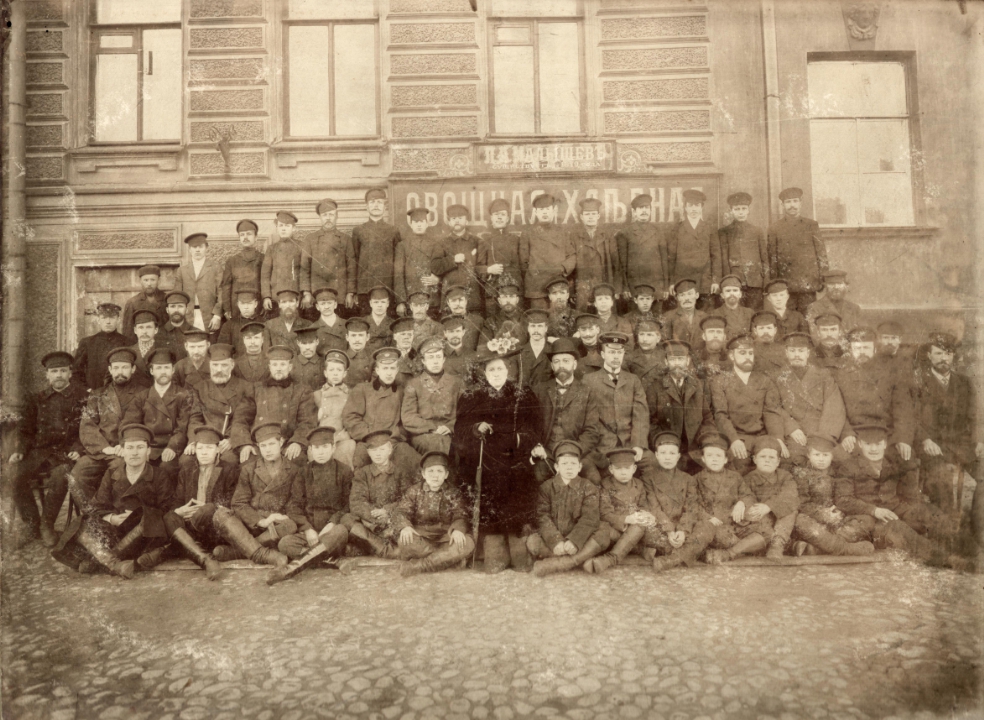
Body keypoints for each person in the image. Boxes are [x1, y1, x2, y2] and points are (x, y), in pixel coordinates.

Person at [833, 424, 969, 571]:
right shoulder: (848, 467)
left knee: (927, 512)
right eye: (868, 444)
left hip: (894, 509)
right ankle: (946, 560)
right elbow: (843, 500)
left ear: (885, 444)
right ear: (860, 444)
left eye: (878, 444)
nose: (873, 449)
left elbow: (906, 494)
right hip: (869, 520)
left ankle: (968, 550)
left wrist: (916, 509)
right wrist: (874, 510)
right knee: (897, 528)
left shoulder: (893, 464)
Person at [456, 349, 542, 573]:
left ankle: (517, 541)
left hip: (517, 455)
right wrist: (476, 427)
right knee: (489, 485)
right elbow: (461, 429)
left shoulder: (523, 394)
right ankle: (494, 542)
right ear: (485, 373)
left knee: (519, 481)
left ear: (508, 370)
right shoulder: (472, 396)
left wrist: (517, 439)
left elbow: (535, 428)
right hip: (486, 457)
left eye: (500, 368)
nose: (496, 373)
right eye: (491, 369)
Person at [56, 424, 172, 579]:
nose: (135, 453)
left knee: (150, 518)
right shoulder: (112, 474)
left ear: (148, 451)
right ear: (122, 451)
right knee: (81, 522)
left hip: (143, 536)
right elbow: (97, 506)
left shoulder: (159, 475)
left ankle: (101, 560)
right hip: (116, 531)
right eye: (130, 448)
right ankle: (116, 565)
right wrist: (112, 518)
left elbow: (167, 509)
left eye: (140, 447)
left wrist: (139, 515)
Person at [10, 351, 87, 547]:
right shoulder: (37, 399)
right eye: (54, 371)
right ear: (47, 375)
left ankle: (47, 525)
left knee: (60, 476)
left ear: (70, 373)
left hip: (66, 454)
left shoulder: (83, 397)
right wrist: (19, 450)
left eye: (62, 371)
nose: (58, 375)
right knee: (14, 474)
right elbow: (25, 430)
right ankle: (31, 523)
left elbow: (88, 428)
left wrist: (78, 448)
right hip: (40, 452)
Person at [268, 426, 354, 585]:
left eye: (325, 447)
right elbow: (294, 506)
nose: (320, 452)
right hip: (311, 530)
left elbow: (348, 505)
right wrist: (307, 529)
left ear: (333, 448)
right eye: (316, 448)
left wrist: (332, 523)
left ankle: (291, 569)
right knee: (285, 543)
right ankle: (333, 560)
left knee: (341, 531)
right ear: (311, 450)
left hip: (332, 530)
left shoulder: (344, 471)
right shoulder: (303, 472)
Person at [210, 423, 299, 567]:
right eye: (263, 446)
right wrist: (260, 521)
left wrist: (276, 517)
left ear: (281, 442)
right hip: (251, 524)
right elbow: (238, 503)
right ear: (258, 447)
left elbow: (295, 503)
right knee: (220, 514)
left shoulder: (294, 470)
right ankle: (261, 553)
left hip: (274, 526)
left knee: (290, 525)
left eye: (272, 444)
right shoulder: (249, 469)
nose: (268, 450)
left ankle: (236, 552)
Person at [914, 331, 982, 516]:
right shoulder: (918, 382)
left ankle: (977, 525)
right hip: (932, 445)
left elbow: (975, 416)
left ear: (953, 356)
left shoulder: (965, 383)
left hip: (961, 444)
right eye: (939, 353)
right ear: (929, 355)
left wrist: (978, 440)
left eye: (948, 353)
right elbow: (911, 417)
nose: (944, 358)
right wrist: (925, 440)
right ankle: (946, 525)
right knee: (940, 480)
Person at [71, 348, 145, 509]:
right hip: (100, 451)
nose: (120, 372)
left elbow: (144, 425)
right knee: (77, 474)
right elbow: (87, 426)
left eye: (125, 367)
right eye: (116, 368)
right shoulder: (97, 395)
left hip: (127, 450)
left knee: (121, 471)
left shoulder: (143, 393)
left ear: (133, 369)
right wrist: (105, 448)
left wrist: (126, 445)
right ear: (110, 370)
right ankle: (95, 515)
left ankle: (121, 515)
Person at [162, 426, 236, 580]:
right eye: (200, 448)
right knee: (170, 516)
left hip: (213, 527)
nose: (203, 452)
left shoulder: (229, 470)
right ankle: (206, 560)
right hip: (190, 525)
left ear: (218, 450)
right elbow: (177, 500)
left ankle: (178, 548)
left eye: (209, 448)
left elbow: (231, 501)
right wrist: (180, 510)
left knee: (207, 509)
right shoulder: (187, 470)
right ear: (195, 449)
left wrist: (208, 508)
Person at [527, 440, 608, 577]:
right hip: (556, 538)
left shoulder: (589, 487)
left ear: (579, 467)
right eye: (564, 464)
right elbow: (542, 517)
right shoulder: (546, 488)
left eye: (573, 464)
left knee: (603, 534)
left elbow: (590, 518)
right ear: (557, 467)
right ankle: (581, 559)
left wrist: (575, 541)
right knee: (532, 542)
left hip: (580, 539)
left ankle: (557, 564)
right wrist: (555, 541)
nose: (569, 468)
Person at [834, 327, 915, 462]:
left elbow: (903, 408)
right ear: (851, 350)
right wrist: (846, 433)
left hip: (886, 433)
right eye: (857, 348)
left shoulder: (891, 373)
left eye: (866, 347)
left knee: (906, 461)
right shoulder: (840, 375)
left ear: (875, 349)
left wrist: (903, 439)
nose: (862, 352)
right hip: (855, 432)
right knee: (846, 462)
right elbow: (837, 409)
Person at [582, 331, 655, 478]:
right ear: (603, 355)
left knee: (652, 462)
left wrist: (638, 444)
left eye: (619, 352)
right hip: (601, 446)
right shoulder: (589, 380)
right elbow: (586, 418)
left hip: (629, 444)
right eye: (611, 352)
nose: (616, 357)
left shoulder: (633, 380)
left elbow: (641, 415)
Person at [708, 334, 785, 473]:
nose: (748, 357)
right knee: (739, 462)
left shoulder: (764, 380)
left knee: (777, 460)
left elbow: (771, 413)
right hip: (737, 436)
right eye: (742, 353)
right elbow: (720, 415)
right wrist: (733, 439)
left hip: (762, 436)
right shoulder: (720, 381)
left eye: (750, 353)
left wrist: (777, 438)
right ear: (732, 356)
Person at [790, 435, 875, 557]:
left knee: (867, 520)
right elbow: (801, 504)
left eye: (825, 455)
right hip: (815, 520)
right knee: (800, 521)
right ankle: (846, 549)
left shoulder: (838, 471)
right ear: (808, 455)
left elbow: (844, 497)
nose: (821, 459)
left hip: (838, 521)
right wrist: (823, 514)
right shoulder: (801, 474)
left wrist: (838, 513)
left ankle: (820, 548)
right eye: (817, 455)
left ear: (832, 456)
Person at [232, 345, 318, 465]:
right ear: (269, 367)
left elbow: (308, 422)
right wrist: (245, 444)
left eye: (282, 364)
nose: (278, 368)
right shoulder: (256, 389)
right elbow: (240, 419)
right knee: (249, 462)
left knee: (296, 461)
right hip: (260, 444)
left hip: (287, 444)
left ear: (290, 367)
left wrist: (297, 442)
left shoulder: (302, 390)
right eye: (275, 364)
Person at [393, 451, 475, 577]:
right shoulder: (414, 491)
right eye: (430, 471)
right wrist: (405, 526)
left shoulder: (454, 492)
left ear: (446, 474)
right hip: (422, 537)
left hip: (446, 537)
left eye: (439, 471)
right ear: (423, 474)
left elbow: (461, 514)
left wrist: (458, 530)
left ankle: (418, 566)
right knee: (405, 542)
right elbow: (401, 511)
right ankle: (449, 562)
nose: (435, 476)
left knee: (468, 544)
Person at [343, 347, 421, 473]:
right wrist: (370, 435)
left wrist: (394, 436)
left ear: (397, 370)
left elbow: (407, 421)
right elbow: (351, 418)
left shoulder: (403, 392)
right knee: (360, 463)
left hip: (393, 442)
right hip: (368, 442)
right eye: (385, 368)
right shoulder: (362, 389)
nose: (389, 373)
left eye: (392, 368)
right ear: (377, 370)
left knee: (414, 462)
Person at [772, 332, 846, 465]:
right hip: (796, 433)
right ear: (786, 353)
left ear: (808, 353)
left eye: (801, 351)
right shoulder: (777, 377)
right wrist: (790, 427)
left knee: (840, 460)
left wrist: (823, 437)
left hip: (821, 432)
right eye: (792, 351)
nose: (796, 355)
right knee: (793, 459)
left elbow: (834, 406)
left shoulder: (824, 375)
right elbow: (773, 406)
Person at [691, 433, 766, 564]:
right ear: (703, 458)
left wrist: (741, 503)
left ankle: (729, 553)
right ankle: (741, 550)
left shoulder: (735, 477)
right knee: (717, 535)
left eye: (718, 455)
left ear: (725, 459)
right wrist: (707, 517)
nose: (714, 459)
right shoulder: (695, 479)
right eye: (710, 455)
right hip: (713, 525)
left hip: (734, 524)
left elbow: (748, 495)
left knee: (764, 531)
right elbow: (691, 504)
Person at [645, 432, 714, 572]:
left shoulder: (688, 479)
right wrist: (670, 531)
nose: (667, 457)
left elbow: (692, 508)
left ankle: (671, 560)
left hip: (683, 528)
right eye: (663, 453)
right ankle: (690, 552)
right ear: (656, 455)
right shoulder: (647, 478)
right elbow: (654, 508)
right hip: (662, 527)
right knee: (644, 531)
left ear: (678, 456)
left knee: (707, 527)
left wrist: (683, 531)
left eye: (672, 453)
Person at [586, 447, 660, 574]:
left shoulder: (639, 484)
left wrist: (645, 515)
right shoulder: (605, 485)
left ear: (634, 469)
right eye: (618, 468)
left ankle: (610, 559)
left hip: (636, 528)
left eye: (627, 468)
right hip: (615, 527)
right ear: (611, 469)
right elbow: (604, 513)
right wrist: (627, 519)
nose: (623, 472)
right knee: (603, 529)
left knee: (639, 526)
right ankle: (638, 549)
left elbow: (643, 506)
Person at [121, 348, 192, 477]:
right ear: (152, 371)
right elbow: (130, 424)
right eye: (158, 368)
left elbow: (182, 428)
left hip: (172, 446)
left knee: (167, 468)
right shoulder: (142, 397)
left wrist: (172, 447)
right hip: (148, 447)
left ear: (173, 370)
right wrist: (141, 449)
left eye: (166, 368)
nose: (163, 372)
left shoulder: (183, 395)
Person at [346, 429, 415, 561]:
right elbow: (356, 502)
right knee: (347, 520)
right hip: (370, 522)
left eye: (382, 449)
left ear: (390, 450)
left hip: (391, 519)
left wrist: (387, 510)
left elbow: (408, 499)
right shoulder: (362, 474)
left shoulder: (401, 472)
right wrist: (376, 518)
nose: (378, 454)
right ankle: (385, 550)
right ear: (368, 452)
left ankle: (372, 546)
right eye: (373, 450)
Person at [646, 340, 713, 469]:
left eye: (681, 359)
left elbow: (707, 417)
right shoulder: (655, 387)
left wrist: (705, 442)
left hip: (695, 447)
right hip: (667, 447)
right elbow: (650, 421)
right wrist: (664, 443)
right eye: (672, 359)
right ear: (666, 362)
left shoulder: (697, 385)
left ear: (687, 361)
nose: (677, 364)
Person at [184, 343, 253, 467]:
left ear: (232, 365)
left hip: (229, 440)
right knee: (186, 461)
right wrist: (194, 441)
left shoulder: (245, 387)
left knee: (228, 461)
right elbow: (195, 418)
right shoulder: (200, 387)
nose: (219, 370)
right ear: (210, 365)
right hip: (204, 439)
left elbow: (243, 419)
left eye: (224, 365)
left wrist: (232, 439)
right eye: (215, 365)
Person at [738, 436, 800, 560]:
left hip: (780, 519)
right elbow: (745, 496)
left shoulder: (785, 476)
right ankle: (788, 546)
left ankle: (777, 545)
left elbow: (790, 494)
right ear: (754, 459)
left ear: (778, 461)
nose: (767, 461)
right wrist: (753, 507)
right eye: (763, 457)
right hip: (760, 521)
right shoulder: (747, 478)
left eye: (772, 458)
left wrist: (768, 506)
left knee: (790, 509)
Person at [767, 187, 828, 313]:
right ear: (782, 205)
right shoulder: (775, 228)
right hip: (785, 284)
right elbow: (772, 257)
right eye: (788, 202)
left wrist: (823, 277)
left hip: (808, 283)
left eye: (795, 201)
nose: (792, 205)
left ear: (800, 203)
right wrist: (774, 281)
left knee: (808, 316)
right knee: (788, 316)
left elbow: (821, 252)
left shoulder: (811, 225)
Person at [401, 338, 463, 456]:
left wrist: (450, 427)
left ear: (444, 359)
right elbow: (408, 417)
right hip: (424, 434)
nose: (435, 361)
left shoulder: (456, 382)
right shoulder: (414, 384)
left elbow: (464, 413)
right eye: (430, 357)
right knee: (437, 443)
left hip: (451, 431)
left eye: (438, 357)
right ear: (423, 360)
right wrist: (433, 427)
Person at [301, 199, 356, 320]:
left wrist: (350, 293)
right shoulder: (310, 239)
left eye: (331, 214)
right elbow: (305, 268)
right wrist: (307, 292)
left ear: (337, 216)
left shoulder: (345, 239)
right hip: (317, 295)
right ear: (320, 217)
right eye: (325, 215)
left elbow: (351, 268)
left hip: (340, 295)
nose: (328, 218)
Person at [519, 194, 576, 310]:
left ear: (553, 210)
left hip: (558, 283)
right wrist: (534, 272)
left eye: (547, 209)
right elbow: (523, 261)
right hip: (537, 287)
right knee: (539, 317)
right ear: (536, 212)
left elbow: (572, 256)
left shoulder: (562, 232)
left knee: (559, 316)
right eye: (541, 210)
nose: (544, 212)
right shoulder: (528, 233)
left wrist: (562, 268)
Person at [666, 189, 720, 309]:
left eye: (697, 205)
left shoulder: (710, 228)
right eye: (690, 205)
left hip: (705, 280)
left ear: (702, 207)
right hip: (683, 280)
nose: (694, 209)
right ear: (685, 207)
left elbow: (716, 256)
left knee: (706, 312)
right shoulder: (677, 229)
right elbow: (671, 258)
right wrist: (672, 282)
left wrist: (715, 280)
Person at [352, 188, 402, 315]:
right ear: (366, 206)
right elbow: (354, 261)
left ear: (385, 207)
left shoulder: (393, 231)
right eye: (372, 202)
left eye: (380, 202)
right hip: (365, 289)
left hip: (387, 288)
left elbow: (398, 262)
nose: (376, 205)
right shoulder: (358, 231)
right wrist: (355, 290)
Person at [616, 194, 669, 308]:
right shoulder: (625, 233)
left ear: (650, 210)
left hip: (656, 285)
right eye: (640, 208)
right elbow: (622, 264)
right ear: (634, 212)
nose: (644, 211)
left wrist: (665, 286)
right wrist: (625, 287)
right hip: (635, 286)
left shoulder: (659, 231)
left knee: (656, 316)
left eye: (647, 208)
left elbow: (664, 261)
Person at [718, 191, 768, 309]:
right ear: (731, 210)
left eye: (744, 208)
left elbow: (764, 257)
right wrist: (728, 281)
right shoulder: (724, 232)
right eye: (737, 209)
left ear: (748, 210)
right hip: (735, 281)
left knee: (755, 312)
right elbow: (724, 259)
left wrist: (766, 281)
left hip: (755, 281)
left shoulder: (757, 231)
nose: (741, 212)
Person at [432, 204, 482, 313]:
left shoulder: (477, 241)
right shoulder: (442, 243)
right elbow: (435, 267)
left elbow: (482, 267)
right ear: (449, 222)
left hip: (472, 295)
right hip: (450, 296)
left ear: (467, 221)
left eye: (460, 218)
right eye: (454, 218)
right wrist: (453, 260)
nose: (457, 221)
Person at [573, 198, 621, 310]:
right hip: (582, 287)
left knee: (604, 313)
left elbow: (617, 264)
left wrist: (617, 288)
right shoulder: (574, 237)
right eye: (587, 214)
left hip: (604, 284)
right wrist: (572, 291)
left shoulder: (608, 236)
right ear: (581, 217)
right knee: (584, 315)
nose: (590, 217)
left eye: (593, 214)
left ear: (598, 215)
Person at [313, 349, 357, 469]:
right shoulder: (317, 395)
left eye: (339, 370)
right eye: (331, 370)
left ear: (345, 373)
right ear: (325, 373)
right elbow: (311, 422)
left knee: (347, 449)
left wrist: (342, 436)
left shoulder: (351, 394)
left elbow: (353, 420)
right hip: (321, 439)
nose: (335, 374)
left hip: (343, 438)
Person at [173, 233, 224, 334]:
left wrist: (217, 315)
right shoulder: (182, 270)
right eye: (194, 247)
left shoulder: (216, 268)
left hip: (210, 317)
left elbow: (222, 292)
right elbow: (177, 297)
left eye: (200, 247)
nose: (197, 250)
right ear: (189, 249)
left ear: (206, 248)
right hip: (188, 317)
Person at [395, 207, 440, 316]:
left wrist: (438, 279)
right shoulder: (402, 246)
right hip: (410, 299)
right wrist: (401, 301)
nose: (419, 225)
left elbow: (441, 267)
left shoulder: (435, 244)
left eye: (422, 222)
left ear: (427, 224)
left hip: (431, 298)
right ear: (411, 224)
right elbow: (398, 275)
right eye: (415, 222)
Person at [477, 198, 522, 305]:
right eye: (496, 214)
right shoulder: (484, 240)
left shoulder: (516, 240)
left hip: (513, 290)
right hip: (493, 291)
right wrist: (488, 269)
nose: (499, 217)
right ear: (491, 218)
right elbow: (477, 268)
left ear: (507, 218)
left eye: (503, 214)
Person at [73, 302, 127, 391]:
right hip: (93, 392)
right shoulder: (87, 343)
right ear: (98, 320)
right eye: (104, 318)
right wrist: (86, 389)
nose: (108, 322)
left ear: (118, 320)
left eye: (112, 318)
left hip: (120, 392)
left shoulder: (127, 342)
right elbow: (76, 372)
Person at [220, 219, 265, 321]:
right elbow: (226, 286)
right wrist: (227, 308)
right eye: (242, 235)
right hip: (236, 308)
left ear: (256, 237)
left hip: (258, 308)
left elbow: (267, 284)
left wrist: (264, 303)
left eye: (249, 234)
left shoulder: (263, 259)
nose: (245, 237)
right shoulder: (232, 261)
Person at [261, 211, 303, 316]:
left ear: (294, 228)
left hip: (296, 297)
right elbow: (265, 275)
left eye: (287, 226)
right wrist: (266, 296)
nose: (283, 229)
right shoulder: (271, 249)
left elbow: (306, 272)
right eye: (281, 226)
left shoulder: (301, 247)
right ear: (277, 228)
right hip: (276, 298)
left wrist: (305, 294)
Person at [805, 270, 862, 341]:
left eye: (839, 283)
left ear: (845, 286)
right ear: (825, 286)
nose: (836, 287)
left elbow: (860, 335)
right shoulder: (814, 308)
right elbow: (815, 337)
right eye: (831, 284)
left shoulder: (855, 308)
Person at [121, 265, 166, 342]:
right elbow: (128, 331)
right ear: (140, 281)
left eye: (153, 280)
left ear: (159, 281)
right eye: (146, 280)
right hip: (141, 343)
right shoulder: (132, 302)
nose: (149, 283)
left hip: (164, 342)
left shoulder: (167, 299)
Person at [662, 279, 707, 351]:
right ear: (677, 298)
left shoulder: (705, 317)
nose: (687, 298)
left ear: (697, 295)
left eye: (690, 294)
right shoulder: (668, 317)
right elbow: (665, 343)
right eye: (682, 295)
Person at [481, 281, 528, 347]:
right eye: (504, 297)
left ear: (517, 300)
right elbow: (483, 347)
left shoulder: (526, 320)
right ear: (499, 301)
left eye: (511, 296)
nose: (508, 300)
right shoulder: (490, 322)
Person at [218, 290, 264, 357]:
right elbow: (223, 350)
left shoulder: (265, 323)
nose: (246, 307)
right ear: (238, 304)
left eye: (249, 303)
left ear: (255, 304)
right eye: (242, 303)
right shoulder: (229, 325)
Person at [626, 317, 665, 388]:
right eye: (641, 334)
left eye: (649, 335)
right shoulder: (629, 358)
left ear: (658, 338)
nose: (644, 339)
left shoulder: (665, 356)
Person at [441, 285, 483, 352]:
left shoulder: (478, 321)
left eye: (461, 300)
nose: (457, 304)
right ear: (448, 303)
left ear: (466, 301)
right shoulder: (444, 323)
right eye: (453, 301)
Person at [591, 284, 634, 349]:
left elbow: (629, 346)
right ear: (595, 304)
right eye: (600, 299)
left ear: (612, 302)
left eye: (607, 298)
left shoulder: (623, 322)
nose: (603, 302)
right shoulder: (590, 322)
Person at [156, 291, 193, 362]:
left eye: (180, 306)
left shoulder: (194, 332)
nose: (176, 310)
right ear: (167, 310)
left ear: (186, 309)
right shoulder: (158, 333)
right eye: (173, 306)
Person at [128, 310, 162, 388]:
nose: (144, 332)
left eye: (148, 327)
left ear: (156, 330)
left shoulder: (163, 351)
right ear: (135, 330)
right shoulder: (128, 352)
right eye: (141, 327)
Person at [749, 310, 787, 377]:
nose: (765, 332)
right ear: (755, 331)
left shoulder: (783, 350)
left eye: (769, 328)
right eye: (761, 328)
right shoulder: (749, 350)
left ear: (775, 330)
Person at [290, 326, 324, 392]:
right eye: (304, 343)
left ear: (317, 341)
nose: (307, 347)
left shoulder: (324, 363)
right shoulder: (291, 364)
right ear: (298, 343)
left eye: (311, 342)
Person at [343, 317, 374, 387]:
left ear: (367, 337)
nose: (357, 339)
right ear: (347, 337)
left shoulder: (373, 359)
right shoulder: (342, 359)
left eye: (361, 335)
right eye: (353, 335)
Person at [362, 286, 394, 352]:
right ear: (371, 303)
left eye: (383, 302)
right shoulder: (362, 323)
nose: (379, 305)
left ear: (388, 303)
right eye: (376, 302)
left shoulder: (394, 325)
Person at [545, 276, 576, 340]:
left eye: (562, 293)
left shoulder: (577, 316)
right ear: (550, 297)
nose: (558, 297)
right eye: (554, 293)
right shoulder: (545, 317)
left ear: (567, 295)